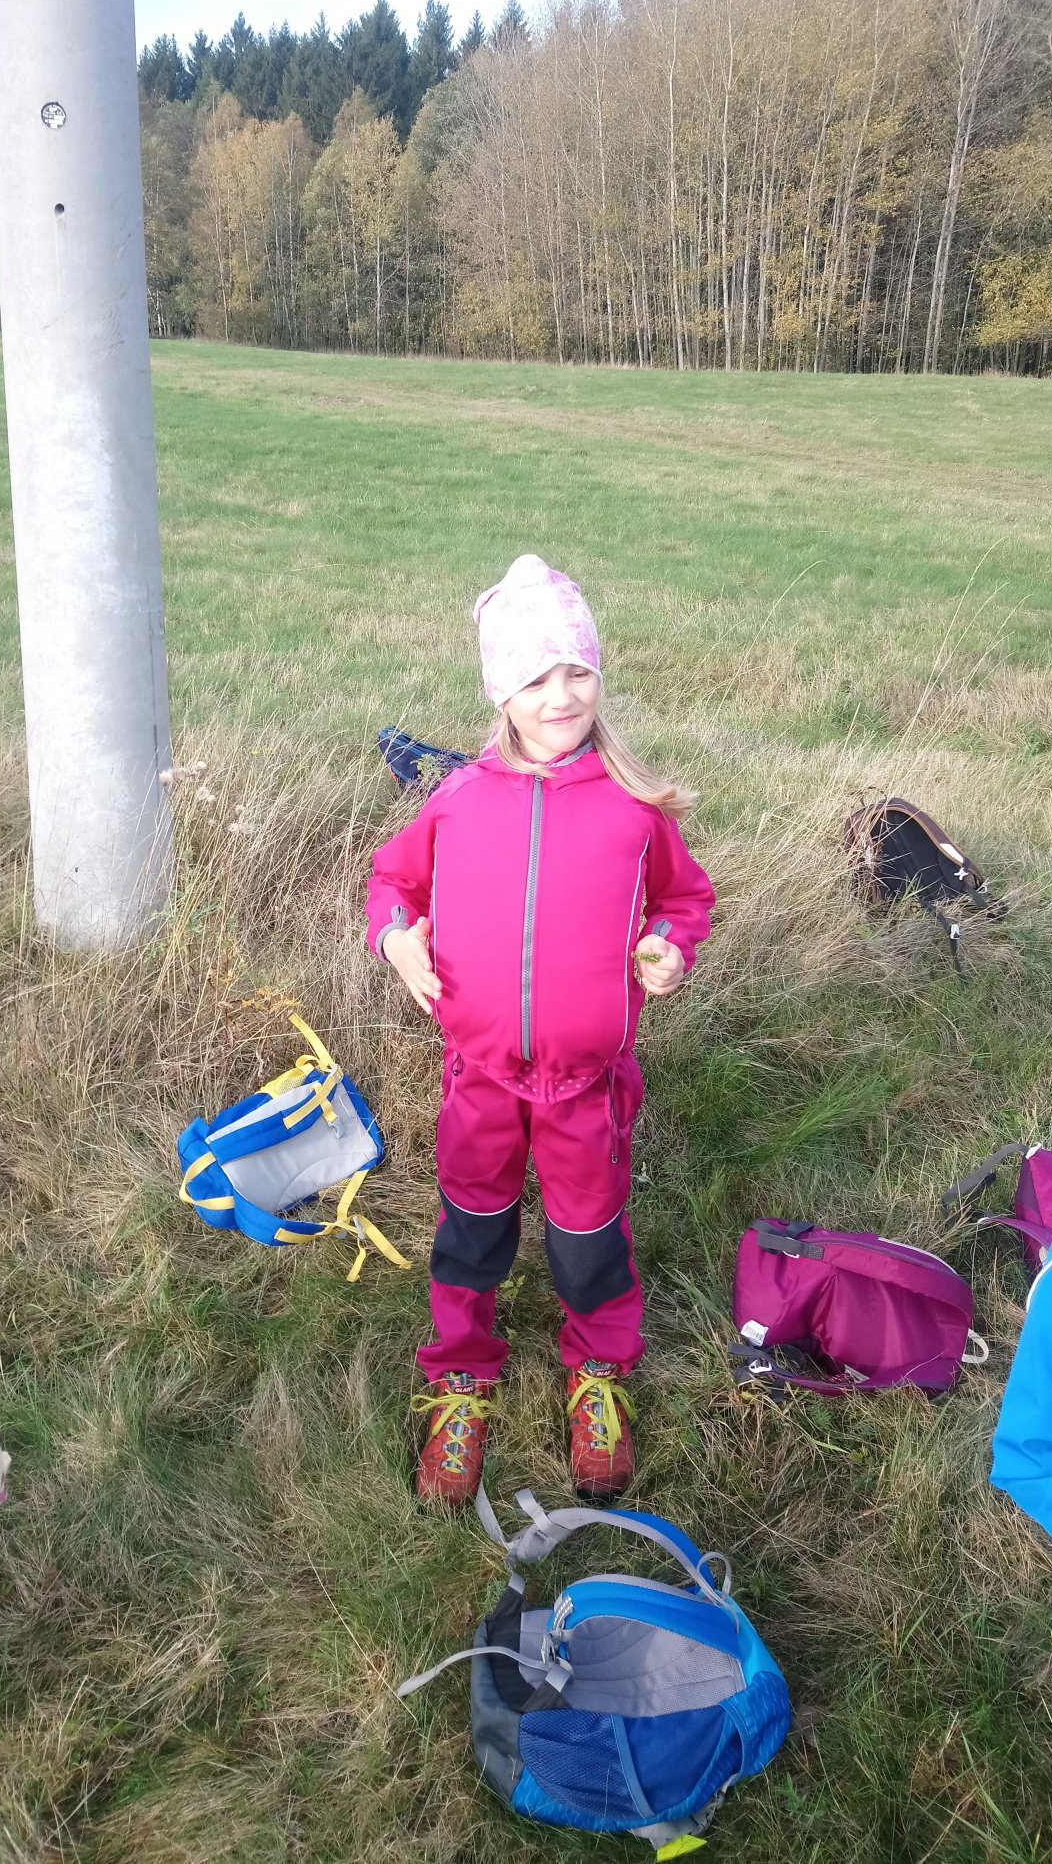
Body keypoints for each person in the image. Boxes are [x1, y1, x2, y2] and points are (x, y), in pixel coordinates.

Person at [365, 555, 715, 1507]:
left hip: (587, 1085)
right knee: (470, 1231)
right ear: (501, 694)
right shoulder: (458, 799)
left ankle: (598, 1370)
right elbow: (392, 882)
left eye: (576, 671)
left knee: (589, 1237)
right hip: (478, 1077)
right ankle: (460, 1374)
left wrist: (669, 947)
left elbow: (685, 899)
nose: (560, 696)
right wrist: (397, 940)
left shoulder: (632, 810)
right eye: (535, 678)